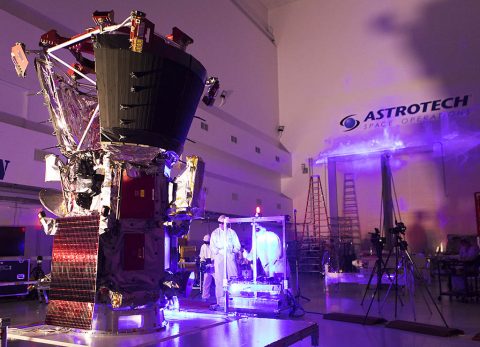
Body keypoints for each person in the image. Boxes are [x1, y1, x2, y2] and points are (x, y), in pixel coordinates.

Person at [209, 215, 241, 309]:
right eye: (220, 223)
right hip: (219, 257)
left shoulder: (232, 232)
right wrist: (219, 251)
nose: (221, 225)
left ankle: (235, 299)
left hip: (230, 256)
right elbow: (212, 246)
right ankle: (219, 301)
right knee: (219, 279)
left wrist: (232, 251)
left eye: (223, 223)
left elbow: (237, 246)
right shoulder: (215, 233)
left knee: (233, 277)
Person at [199, 234, 214, 301]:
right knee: (206, 281)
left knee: (218, 281)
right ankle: (205, 296)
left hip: (214, 265)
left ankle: (220, 297)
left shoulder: (213, 246)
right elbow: (202, 256)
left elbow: (215, 255)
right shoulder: (203, 246)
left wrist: (212, 262)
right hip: (207, 265)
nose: (206, 243)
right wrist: (203, 262)